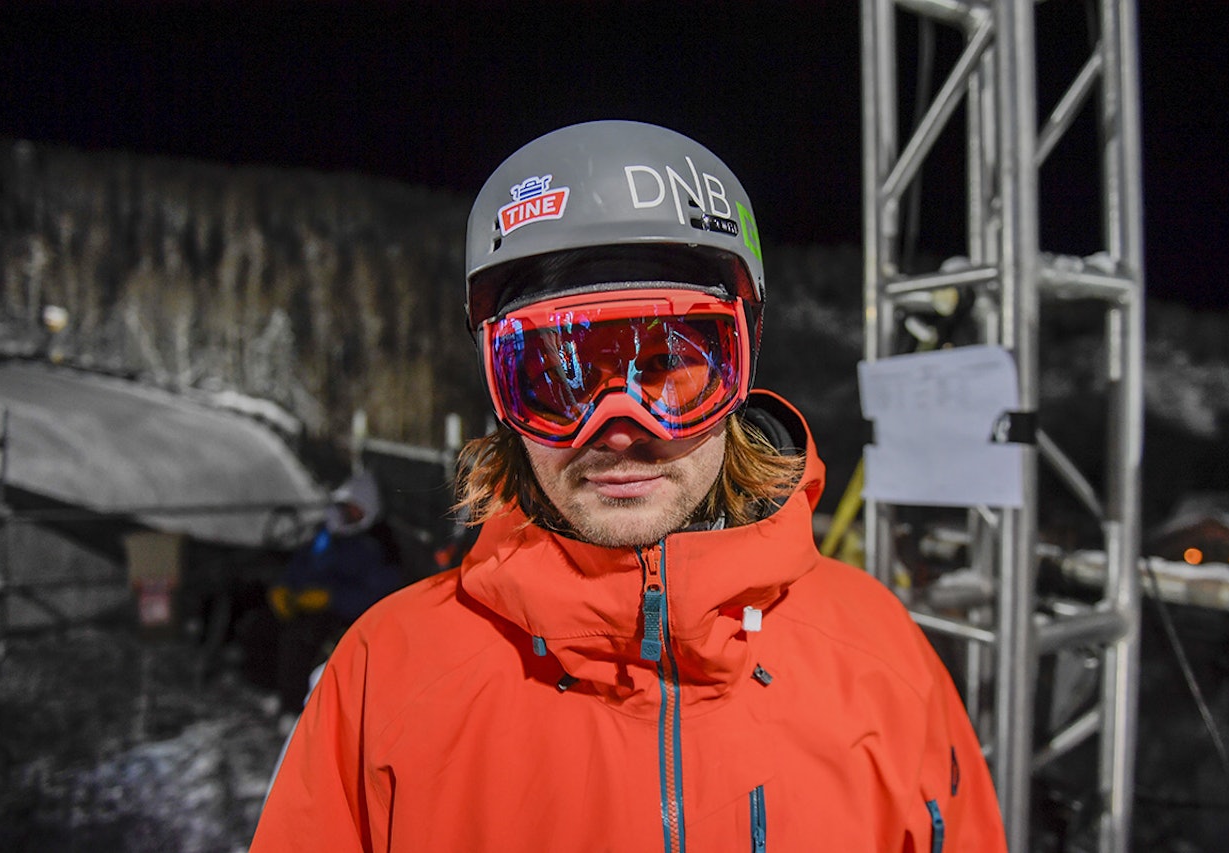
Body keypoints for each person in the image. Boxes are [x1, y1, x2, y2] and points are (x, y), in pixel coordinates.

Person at [251, 120, 1006, 851]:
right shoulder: (387, 674)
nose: (618, 428)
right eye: (557, 377)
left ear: (741, 370)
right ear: (500, 393)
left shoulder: (879, 653)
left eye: (672, 370)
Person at [266, 470, 403, 723]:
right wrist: (284, 586)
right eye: (346, 508)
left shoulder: (378, 546)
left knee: (304, 638)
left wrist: (331, 598)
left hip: (345, 614)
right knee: (268, 623)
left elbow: (377, 595)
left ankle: (295, 707)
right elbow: (303, 563)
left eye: (356, 510)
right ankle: (273, 690)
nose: (349, 515)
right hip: (309, 602)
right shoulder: (328, 534)